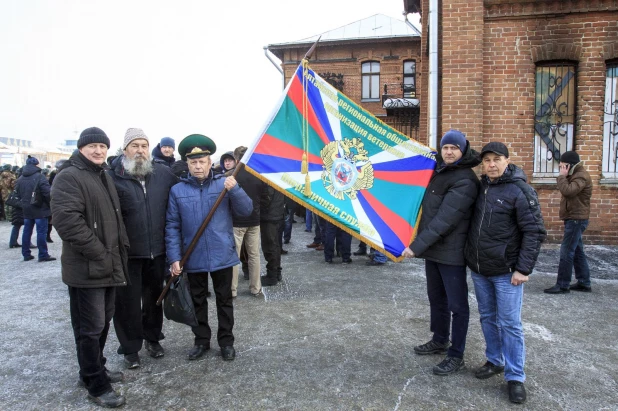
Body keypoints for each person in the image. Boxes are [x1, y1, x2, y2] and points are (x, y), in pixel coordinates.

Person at [51, 127, 129, 408]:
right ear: (82, 148)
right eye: (92, 146)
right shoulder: (69, 176)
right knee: (89, 327)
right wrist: (100, 253)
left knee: (102, 321)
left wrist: (117, 252)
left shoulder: (102, 174)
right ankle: (96, 384)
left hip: (107, 264)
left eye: (102, 146)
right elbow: (67, 222)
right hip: (87, 267)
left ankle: (94, 368)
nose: (98, 151)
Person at [464, 142, 546, 404]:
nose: (491, 164)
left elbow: (534, 231)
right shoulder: (482, 187)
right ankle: (495, 360)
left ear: (507, 161)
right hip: (480, 269)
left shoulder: (520, 190)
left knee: (510, 324)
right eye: (486, 160)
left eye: (496, 159)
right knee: (488, 317)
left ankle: (515, 377)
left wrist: (523, 269)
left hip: (506, 271)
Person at [166, 134, 252, 361]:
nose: (197, 166)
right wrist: (174, 258)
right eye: (193, 162)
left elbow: (246, 211)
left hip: (221, 254)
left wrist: (235, 190)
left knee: (224, 301)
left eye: (202, 161)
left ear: (209, 161)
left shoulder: (224, 184)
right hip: (192, 256)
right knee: (197, 301)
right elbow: (172, 226)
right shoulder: (178, 191)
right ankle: (201, 340)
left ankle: (226, 342)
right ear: (187, 164)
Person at [402, 129, 480, 375]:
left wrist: (416, 246)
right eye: (445, 147)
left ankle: (456, 355)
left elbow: (445, 220)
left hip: (452, 253)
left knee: (457, 305)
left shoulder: (465, 180)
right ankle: (439, 339)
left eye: (454, 148)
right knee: (437, 298)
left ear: (463, 150)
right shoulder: (439, 172)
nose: (448, 152)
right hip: (434, 250)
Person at [109, 128, 179, 369]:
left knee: (154, 299)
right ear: (125, 149)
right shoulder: (113, 176)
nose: (140, 150)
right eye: (135, 146)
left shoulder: (163, 173)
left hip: (157, 251)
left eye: (144, 146)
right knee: (126, 302)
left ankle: (152, 338)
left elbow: (180, 196)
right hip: (128, 253)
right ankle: (130, 347)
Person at [544, 150, 593, 294]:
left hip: (576, 220)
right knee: (577, 251)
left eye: (562, 166)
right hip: (574, 218)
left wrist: (561, 176)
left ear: (569, 165)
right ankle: (584, 282)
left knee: (566, 252)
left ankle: (563, 285)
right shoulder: (576, 174)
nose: (561, 168)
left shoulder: (581, 176)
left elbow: (568, 191)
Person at [229, 146, 265, 296]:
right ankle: (255, 287)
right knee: (254, 255)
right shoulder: (258, 174)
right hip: (254, 219)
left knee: (233, 257)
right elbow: (263, 196)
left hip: (236, 221)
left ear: (236, 159)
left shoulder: (231, 177)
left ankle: (232, 290)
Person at [14, 155, 55, 262]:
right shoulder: (40, 177)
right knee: (41, 232)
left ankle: (26, 254)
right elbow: (47, 193)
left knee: (27, 231)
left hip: (26, 208)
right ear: (36, 165)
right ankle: (43, 254)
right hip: (40, 208)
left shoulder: (20, 178)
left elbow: (17, 193)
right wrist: (50, 204)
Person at [260, 184, 285, 286]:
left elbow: (267, 198)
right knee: (275, 245)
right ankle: (276, 272)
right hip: (276, 214)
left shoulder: (268, 180)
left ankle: (272, 275)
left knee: (270, 246)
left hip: (269, 216)